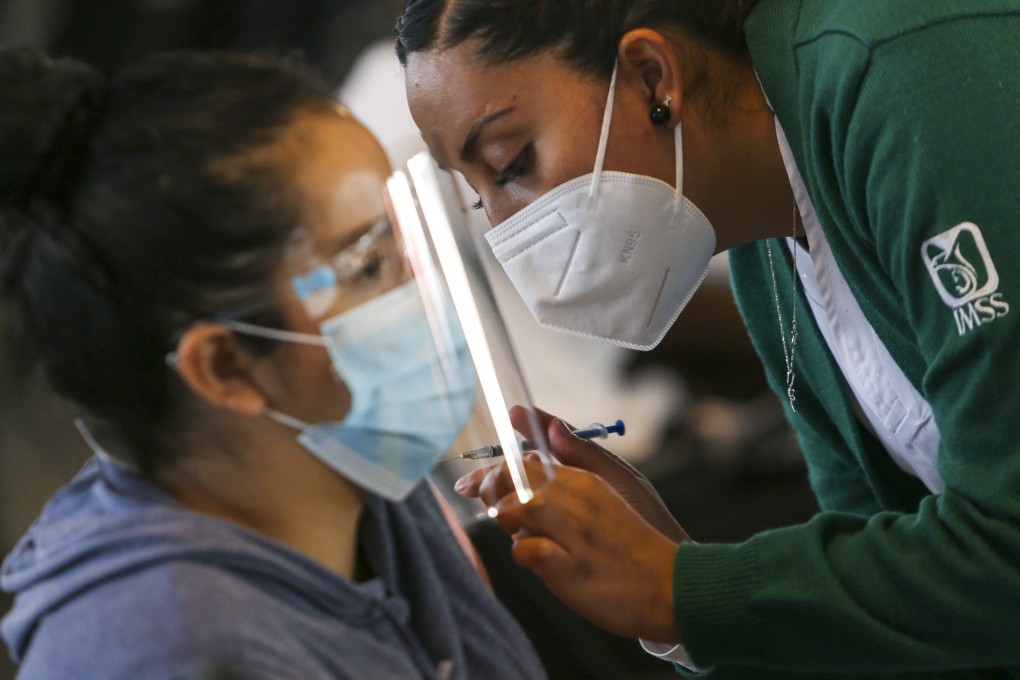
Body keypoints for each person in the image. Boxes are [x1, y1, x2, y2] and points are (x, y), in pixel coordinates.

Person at [394, 1, 1020, 678]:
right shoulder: (767, 248)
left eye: (511, 162)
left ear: (650, 76)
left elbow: (1006, 549)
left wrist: (684, 589)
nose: (502, 227)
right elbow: (910, 627)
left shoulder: (902, 70)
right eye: (475, 195)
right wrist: (675, 588)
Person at [0, 47, 547, 680]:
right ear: (227, 367)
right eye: (369, 266)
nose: (421, 292)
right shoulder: (163, 650)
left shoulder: (376, 507)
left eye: (407, 243)